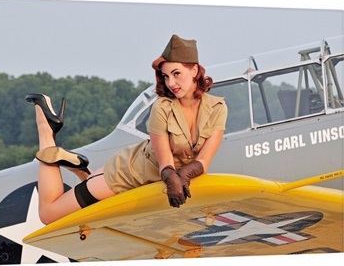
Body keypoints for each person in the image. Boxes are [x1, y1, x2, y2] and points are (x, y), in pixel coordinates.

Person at [25, 34, 228, 225]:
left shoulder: (217, 108)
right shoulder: (161, 107)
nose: (171, 83)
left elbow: (203, 160)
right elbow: (165, 161)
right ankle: (46, 128)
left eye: (176, 74)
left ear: (194, 70)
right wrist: (173, 177)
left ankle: (81, 169)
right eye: (166, 76)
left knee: (98, 207)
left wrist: (185, 175)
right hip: (129, 174)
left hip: (148, 176)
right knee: (49, 214)